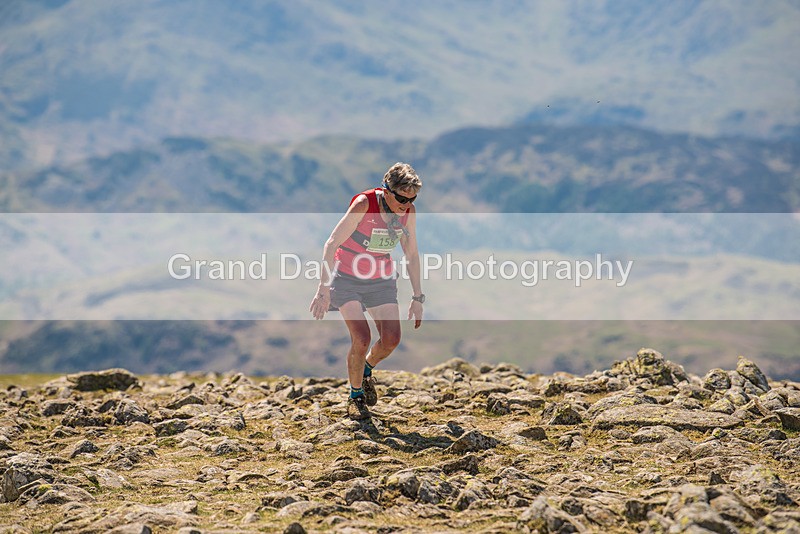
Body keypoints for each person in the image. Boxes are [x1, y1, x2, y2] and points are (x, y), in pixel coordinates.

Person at [309, 162, 424, 420]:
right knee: (361, 338)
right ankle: (355, 396)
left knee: (391, 339)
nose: (406, 204)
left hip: (380, 279)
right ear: (387, 190)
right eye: (402, 198)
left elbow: (411, 254)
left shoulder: (408, 212)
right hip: (346, 277)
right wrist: (323, 288)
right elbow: (331, 244)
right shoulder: (364, 204)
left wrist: (417, 297)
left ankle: (367, 369)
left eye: (412, 198)